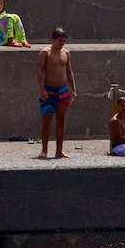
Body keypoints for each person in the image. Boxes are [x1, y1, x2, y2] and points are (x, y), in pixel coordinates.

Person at [37, 27, 76, 159]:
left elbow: (69, 72)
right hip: (49, 90)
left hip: (63, 90)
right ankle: (44, 150)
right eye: (60, 41)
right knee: (47, 119)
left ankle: (59, 150)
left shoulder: (66, 53)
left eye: (64, 41)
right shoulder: (45, 53)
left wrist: (74, 89)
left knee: (61, 120)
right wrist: (42, 89)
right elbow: (39, 71)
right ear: (53, 39)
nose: (62, 43)